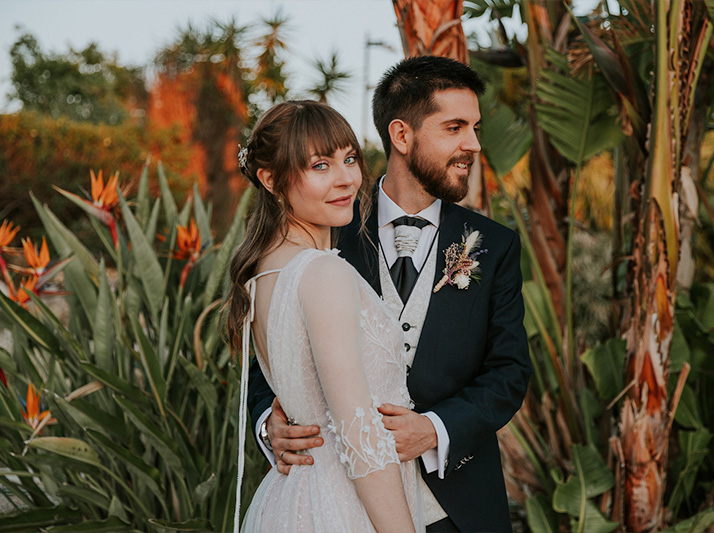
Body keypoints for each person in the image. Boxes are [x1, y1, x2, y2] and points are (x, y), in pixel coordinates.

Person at [249, 56, 532, 532]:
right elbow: (271, 352)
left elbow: (509, 370)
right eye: (455, 127)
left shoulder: (493, 244)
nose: (474, 145)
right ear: (402, 136)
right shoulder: (325, 227)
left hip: (458, 505)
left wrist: (436, 429)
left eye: (475, 128)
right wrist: (268, 423)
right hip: (338, 500)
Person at [227, 100, 424, 532]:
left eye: (349, 159)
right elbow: (359, 433)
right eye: (320, 166)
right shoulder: (324, 271)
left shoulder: (264, 270)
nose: (346, 179)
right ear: (271, 179)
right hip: (343, 506)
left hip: (292, 498)